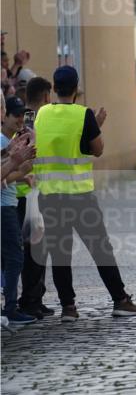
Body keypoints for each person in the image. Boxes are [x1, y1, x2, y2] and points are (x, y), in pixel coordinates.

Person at [33, 65, 136, 321]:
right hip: (79, 197)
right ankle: (120, 300)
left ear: (54, 88)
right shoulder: (84, 115)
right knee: (100, 248)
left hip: (49, 196)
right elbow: (97, 149)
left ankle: (68, 308)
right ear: (76, 88)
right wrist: (97, 125)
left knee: (61, 253)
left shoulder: (41, 115)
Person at [16, 76, 54, 319]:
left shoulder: (27, 117)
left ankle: (36, 296)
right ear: (47, 96)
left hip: (29, 191)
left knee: (37, 249)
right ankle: (30, 300)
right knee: (34, 250)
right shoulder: (32, 120)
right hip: (28, 192)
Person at [1, 95, 37, 327]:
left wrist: (21, 172)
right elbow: (3, 178)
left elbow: (6, 177)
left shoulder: (7, 141)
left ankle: (10, 306)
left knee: (10, 258)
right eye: (14, 114)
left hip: (8, 205)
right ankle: (11, 307)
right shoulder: (3, 141)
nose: (19, 119)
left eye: (22, 115)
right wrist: (18, 166)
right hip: (4, 208)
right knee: (15, 257)